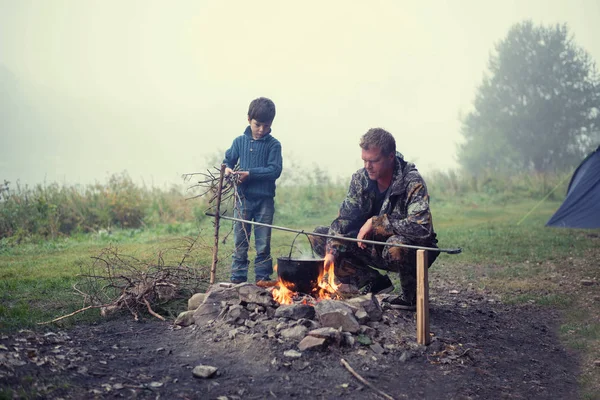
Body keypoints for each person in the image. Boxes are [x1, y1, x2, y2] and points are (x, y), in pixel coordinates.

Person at [311, 128, 439, 309]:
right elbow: (345, 218)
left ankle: (410, 297)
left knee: (397, 246)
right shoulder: (360, 179)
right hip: (369, 245)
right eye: (364, 160)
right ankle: (374, 283)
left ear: (390, 157)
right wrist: (331, 252)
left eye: (374, 161)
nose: (367, 166)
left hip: (407, 249)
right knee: (320, 236)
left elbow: (422, 228)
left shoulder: (412, 181)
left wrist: (376, 222)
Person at [223, 97, 283, 284]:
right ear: (249, 119)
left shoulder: (274, 145)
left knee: (263, 243)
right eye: (258, 125)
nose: (261, 130)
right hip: (242, 199)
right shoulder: (239, 142)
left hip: (265, 201)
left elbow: (275, 170)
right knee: (240, 242)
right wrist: (227, 169)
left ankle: (262, 279)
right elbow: (228, 161)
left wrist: (250, 173)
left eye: (266, 126)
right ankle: (238, 279)